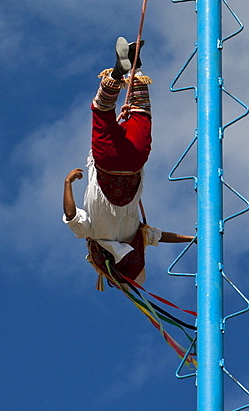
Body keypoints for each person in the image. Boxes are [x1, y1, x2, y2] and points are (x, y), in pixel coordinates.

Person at [63, 38, 194, 287]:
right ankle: (122, 69)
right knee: (102, 110)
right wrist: (67, 183)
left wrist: (193, 239)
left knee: (141, 111)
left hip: (134, 161)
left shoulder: (131, 235)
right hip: (108, 161)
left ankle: (134, 67)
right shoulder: (94, 233)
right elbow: (70, 215)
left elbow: (161, 236)